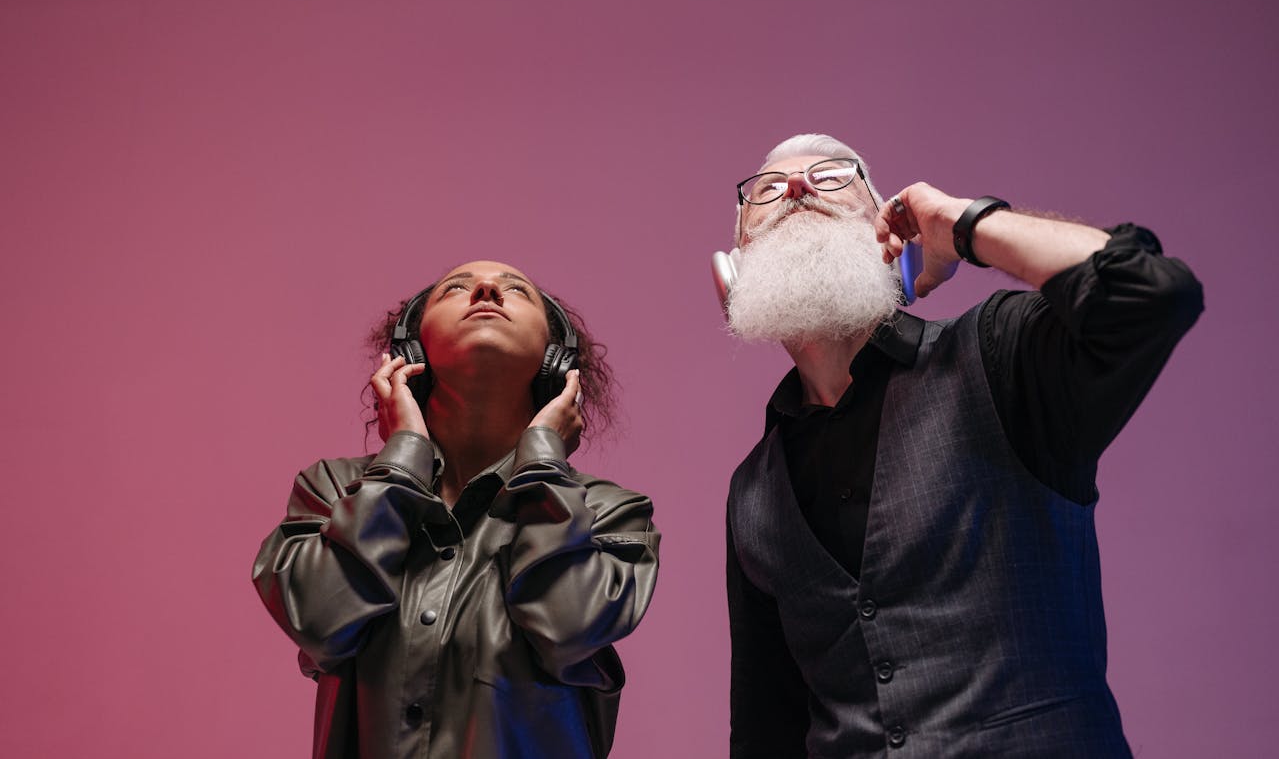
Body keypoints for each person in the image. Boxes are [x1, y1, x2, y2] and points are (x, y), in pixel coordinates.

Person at [720, 134, 1202, 757]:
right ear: (737, 258)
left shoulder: (997, 354)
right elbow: (767, 734)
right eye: (766, 190)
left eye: (833, 176)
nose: (797, 187)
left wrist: (966, 224)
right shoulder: (754, 490)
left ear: (885, 224)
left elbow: (1151, 293)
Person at [252, 260, 660, 759]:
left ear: (557, 361)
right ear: (410, 350)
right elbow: (319, 620)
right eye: (455, 289)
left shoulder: (609, 513)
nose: (486, 289)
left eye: (516, 291)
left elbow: (567, 628)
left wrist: (544, 465)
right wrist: (402, 455)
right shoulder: (334, 489)